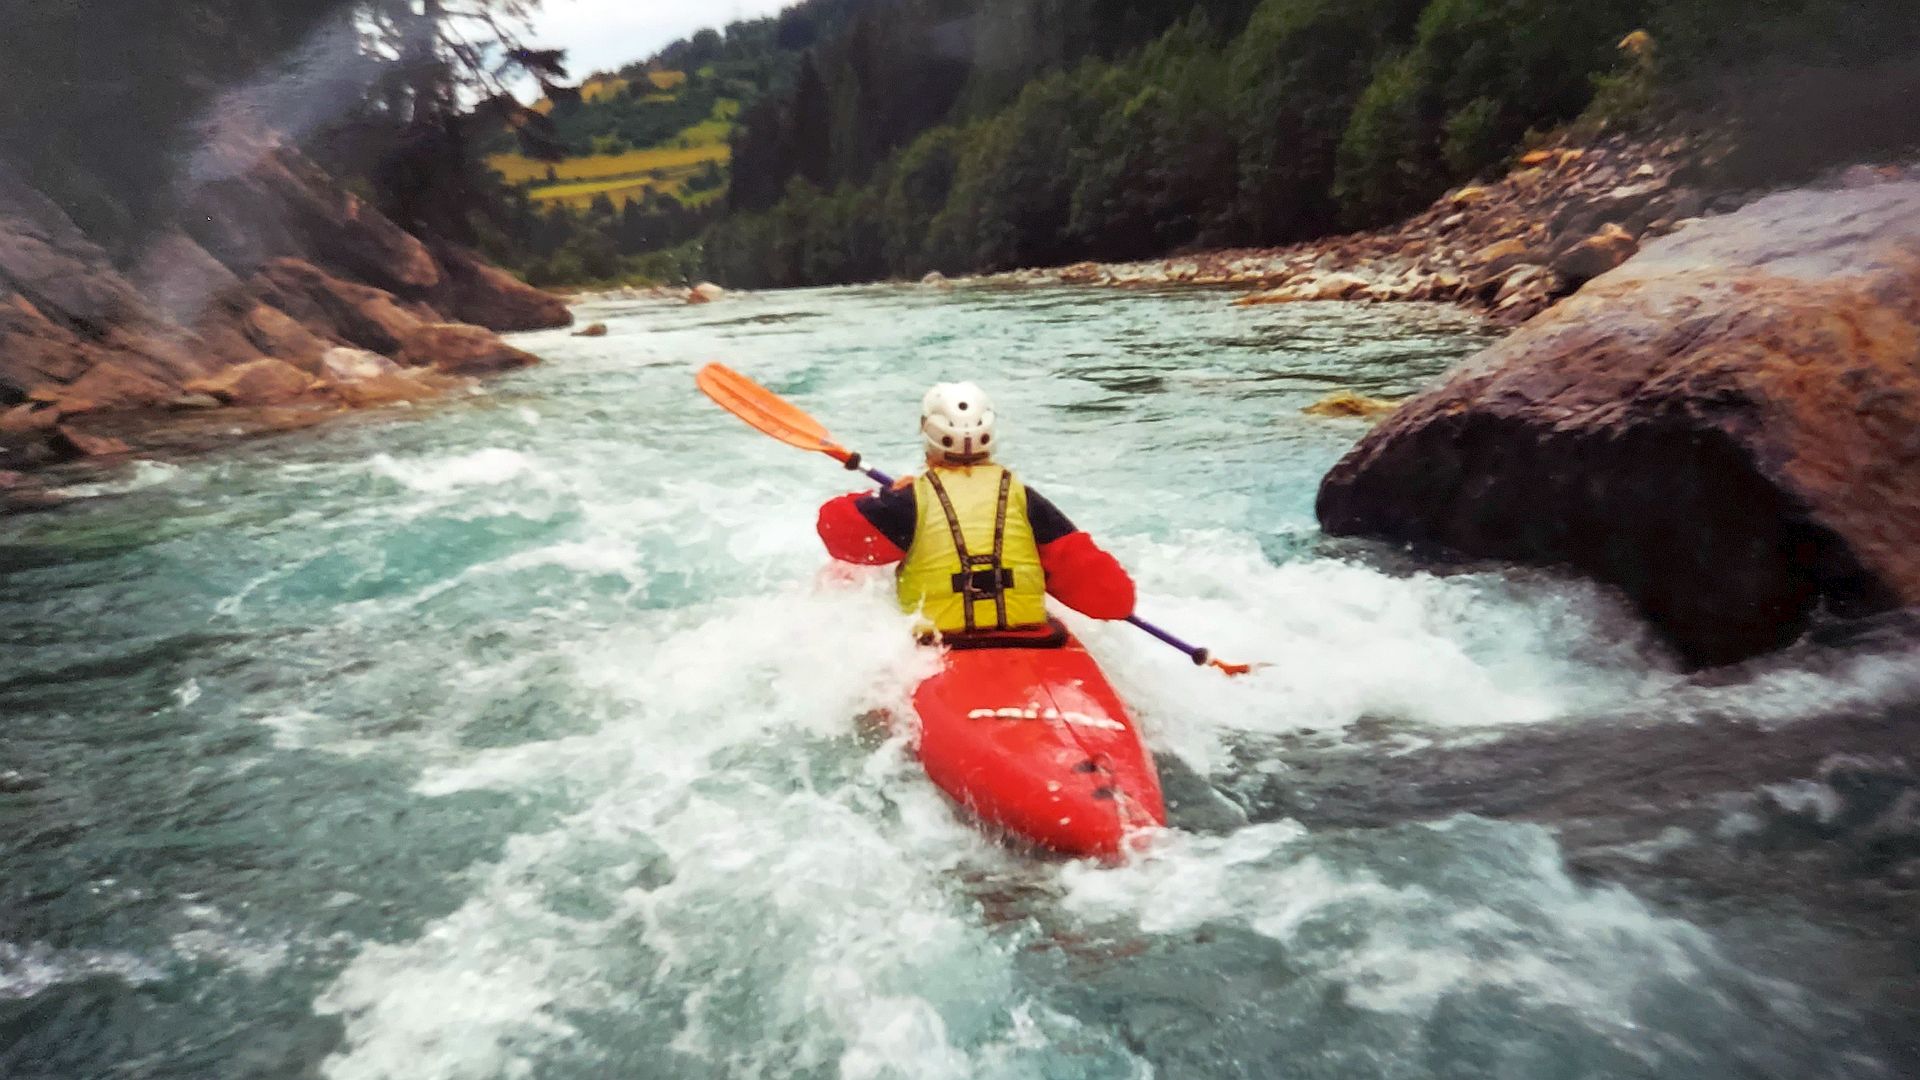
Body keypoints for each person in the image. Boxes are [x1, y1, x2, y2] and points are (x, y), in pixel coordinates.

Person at [816, 381, 1136, 640]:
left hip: (934, 650)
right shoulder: (1026, 501)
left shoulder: (908, 502)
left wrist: (888, 496)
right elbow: (1114, 600)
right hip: (1030, 641)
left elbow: (836, 533)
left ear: (927, 434)